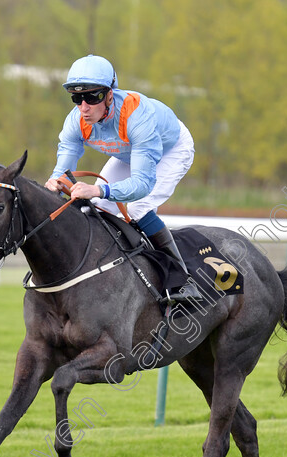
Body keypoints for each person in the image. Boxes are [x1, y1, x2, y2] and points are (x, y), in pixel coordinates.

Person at [45, 54, 202, 302]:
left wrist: (97, 190)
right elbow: (64, 166)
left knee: (138, 207)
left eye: (92, 97)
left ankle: (184, 282)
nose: (83, 107)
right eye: (77, 98)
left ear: (109, 94)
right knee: (95, 208)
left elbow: (143, 183)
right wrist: (55, 181)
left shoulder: (137, 116)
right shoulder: (76, 120)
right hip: (130, 152)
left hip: (171, 150)